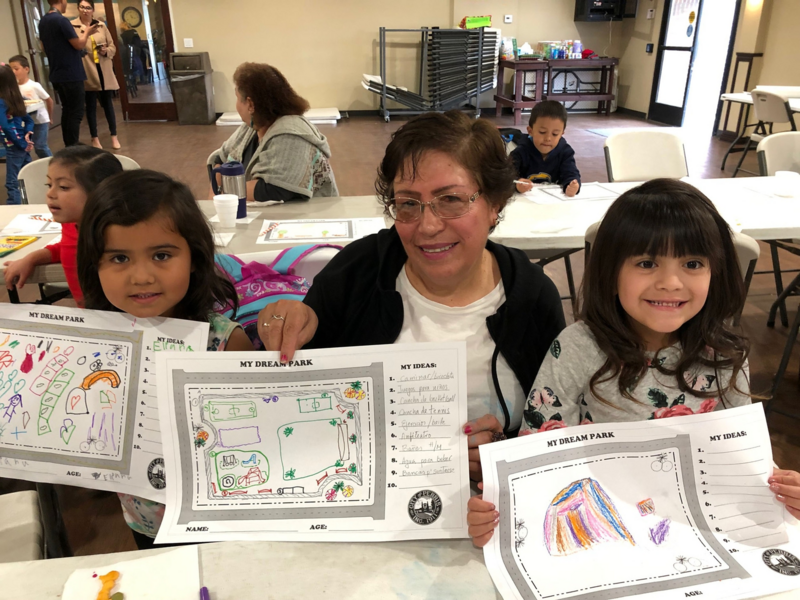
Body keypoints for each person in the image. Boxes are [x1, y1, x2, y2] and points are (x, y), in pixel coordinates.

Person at [465, 178, 798, 546]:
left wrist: (779, 487)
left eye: (692, 263)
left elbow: (740, 457)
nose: (670, 282)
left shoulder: (725, 353)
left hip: (693, 532)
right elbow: (537, 456)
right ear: (610, 273)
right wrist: (495, 514)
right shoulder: (578, 348)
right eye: (646, 262)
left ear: (714, 272)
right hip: (600, 530)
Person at [257, 110, 566, 482]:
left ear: (495, 205)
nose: (428, 225)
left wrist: (506, 456)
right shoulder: (357, 274)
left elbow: (555, 434)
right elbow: (294, 415)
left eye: (451, 199)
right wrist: (287, 323)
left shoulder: (533, 298)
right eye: (408, 203)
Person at [77, 170, 253, 548]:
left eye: (161, 255)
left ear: (194, 257)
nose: (142, 276)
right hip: (144, 520)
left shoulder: (226, 343)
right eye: (119, 258)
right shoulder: (87, 346)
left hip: (223, 520)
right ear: (95, 265)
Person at [3, 146, 122, 303]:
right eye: (49, 185)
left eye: (63, 187)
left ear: (101, 192)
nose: (50, 194)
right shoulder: (71, 225)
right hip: (91, 316)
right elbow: (67, 247)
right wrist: (31, 258)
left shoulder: (119, 236)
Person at [207, 62, 338, 202]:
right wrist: (215, 196)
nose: (237, 104)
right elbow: (220, 160)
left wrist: (223, 195)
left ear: (250, 104)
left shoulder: (291, 134)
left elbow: (274, 189)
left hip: (305, 218)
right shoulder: (251, 128)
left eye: (237, 98)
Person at [38, 0, 97, 147]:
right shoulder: (61, 20)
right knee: (76, 112)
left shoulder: (43, 21)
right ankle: (73, 146)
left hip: (56, 73)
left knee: (67, 110)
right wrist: (87, 32)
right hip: (71, 73)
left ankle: (70, 145)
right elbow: (78, 44)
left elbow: (43, 47)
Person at [72, 1, 121, 150]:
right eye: (82, 7)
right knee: (91, 106)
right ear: (78, 9)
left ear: (93, 10)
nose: (85, 11)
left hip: (103, 69)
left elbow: (112, 45)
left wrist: (106, 51)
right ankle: (95, 138)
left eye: (88, 8)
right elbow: (74, 47)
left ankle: (114, 136)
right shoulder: (73, 26)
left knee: (108, 105)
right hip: (87, 70)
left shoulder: (101, 25)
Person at [512, 101, 581, 197]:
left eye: (555, 134)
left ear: (561, 134)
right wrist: (516, 185)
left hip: (554, 202)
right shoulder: (521, 152)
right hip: (526, 202)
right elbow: (506, 176)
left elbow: (571, 173)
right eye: (542, 132)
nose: (548, 138)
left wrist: (572, 186)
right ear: (530, 131)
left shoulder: (565, 152)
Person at [0, 64, 34, 205]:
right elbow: (29, 121)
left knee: (12, 182)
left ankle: (14, 210)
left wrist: (21, 143)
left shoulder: (2, 102)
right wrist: (27, 136)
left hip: (14, 145)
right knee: (28, 175)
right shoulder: (15, 97)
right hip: (20, 143)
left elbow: (5, 126)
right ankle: (33, 202)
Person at [9, 55, 53, 159]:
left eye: (16, 68)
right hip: (26, 122)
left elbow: (49, 100)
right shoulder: (14, 87)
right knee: (26, 146)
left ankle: (51, 164)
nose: (13, 72)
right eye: (10, 69)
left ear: (26, 69)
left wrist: (50, 117)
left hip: (40, 121)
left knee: (40, 146)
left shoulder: (34, 85)